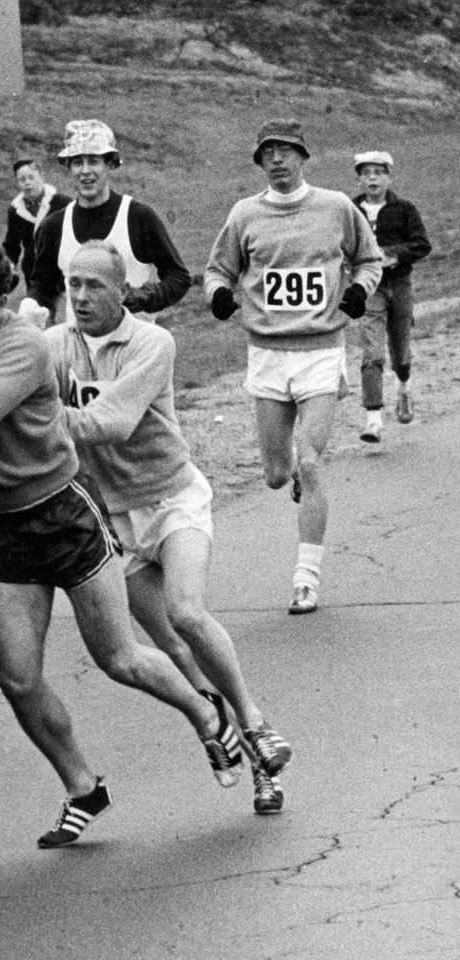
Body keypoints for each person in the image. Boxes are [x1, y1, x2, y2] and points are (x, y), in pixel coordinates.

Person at [0, 240, 244, 849]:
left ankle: (206, 713)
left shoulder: (23, 345)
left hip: (62, 513)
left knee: (118, 657)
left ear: (1, 303)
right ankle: (83, 787)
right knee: (17, 680)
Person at [45, 240, 293, 815]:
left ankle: (253, 723)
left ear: (123, 291)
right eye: (72, 285)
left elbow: (111, 421)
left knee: (187, 612)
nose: (80, 297)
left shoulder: (154, 342)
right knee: (176, 654)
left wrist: (35, 415)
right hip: (113, 517)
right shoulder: (54, 345)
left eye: (94, 286)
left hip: (171, 498)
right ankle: (242, 753)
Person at [203, 119, 382, 616]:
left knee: (311, 460)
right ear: (260, 163)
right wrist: (219, 294)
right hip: (267, 352)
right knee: (279, 475)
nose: (278, 161)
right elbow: (219, 267)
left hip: (321, 349)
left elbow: (370, 260)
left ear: (302, 156)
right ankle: (297, 476)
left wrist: (358, 291)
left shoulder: (336, 207)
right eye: (268, 154)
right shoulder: (245, 214)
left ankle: (306, 579)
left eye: (286, 152)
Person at [22, 119, 191, 326]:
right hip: (80, 348)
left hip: (134, 347)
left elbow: (178, 276)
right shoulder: (54, 226)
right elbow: (43, 285)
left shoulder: (137, 217)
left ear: (109, 164)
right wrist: (31, 304)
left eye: (93, 161)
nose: (85, 171)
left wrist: (142, 296)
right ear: (69, 167)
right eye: (77, 162)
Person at [351, 151, 431, 442]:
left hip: (399, 286)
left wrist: (394, 256)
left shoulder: (405, 208)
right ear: (359, 178)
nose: (372, 178)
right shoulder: (350, 209)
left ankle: (405, 388)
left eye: (378, 172)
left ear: (388, 177)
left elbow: (423, 245)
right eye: (366, 172)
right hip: (368, 289)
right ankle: (373, 420)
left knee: (400, 354)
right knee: (372, 352)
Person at [2, 157, 70, 290]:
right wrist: (8, 266)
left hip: (61, 270)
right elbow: (11, 245)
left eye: (31, 177)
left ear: (42, 177)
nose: (27, 183)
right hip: (32, 272)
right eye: (22, 179)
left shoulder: (62, 203)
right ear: (17, 183)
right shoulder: (15, 211)